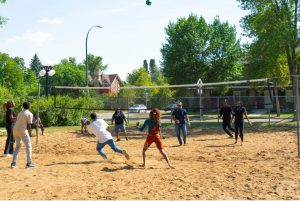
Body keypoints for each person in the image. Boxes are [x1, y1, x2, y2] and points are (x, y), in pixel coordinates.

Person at [11, 102, 36, 168]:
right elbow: (29, 125)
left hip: (15, 130)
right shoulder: (30, 114)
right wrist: (30, 134)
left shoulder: (20, 112)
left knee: (17, 146)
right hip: (22, 130)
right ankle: (29, 163)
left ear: (23, 106)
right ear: (29, 106)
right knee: (28, 146)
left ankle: (13, 163)